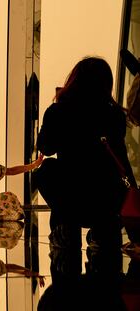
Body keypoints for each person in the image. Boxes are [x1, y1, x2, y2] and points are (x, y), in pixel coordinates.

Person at [36, 56, 136, 247]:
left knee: (46, 170)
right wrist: (132, 190)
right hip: (106, 196)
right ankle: (104, 231)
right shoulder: (114, 114)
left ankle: (65, 228)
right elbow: (120, 155)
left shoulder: (58, 111)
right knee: (111, 180)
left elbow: (46, 148)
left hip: (71, 194)